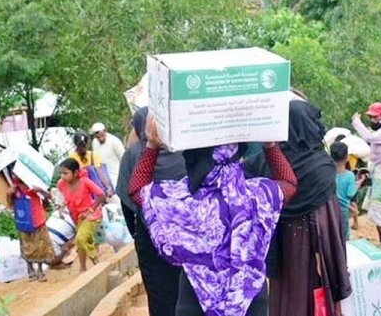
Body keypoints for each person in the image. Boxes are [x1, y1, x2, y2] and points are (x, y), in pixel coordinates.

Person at [128, 114, 298, 316]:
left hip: (195, 303)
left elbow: (137, 190)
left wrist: (152, 145)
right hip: (250, 302)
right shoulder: (258, 196)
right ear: (238, 156)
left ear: (192, 159)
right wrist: (270, 144)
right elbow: (289, 183)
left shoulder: (182, 201)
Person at [245, 100, 351, 316]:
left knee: (286, 295)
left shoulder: (269, 160)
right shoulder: (322, 167)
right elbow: (330, 220)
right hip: (315, 250)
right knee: (314, 296)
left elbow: (239, 179)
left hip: (281, 246)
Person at [117, 106, 187, 316]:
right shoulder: (187, 150)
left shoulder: (134, 155)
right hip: (188, 237)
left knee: (160, 297)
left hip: (152, 240)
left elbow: (128, 203)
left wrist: (140, 233)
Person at [352, 102, 381, 243]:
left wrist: (356, 122)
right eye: (371, 117)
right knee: (379, 209)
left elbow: (369, 138)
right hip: (379, 172)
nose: (372, 120)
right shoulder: (380, 131)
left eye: (375, 117)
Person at [57, 158, 106, 273]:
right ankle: (82, 267)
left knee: (80, 238)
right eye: (61, 173)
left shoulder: (84, 182)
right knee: (80, 242)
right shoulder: (61, 184)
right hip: (76, 217)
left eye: (65, 173)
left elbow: (101, 195)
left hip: (90, 216)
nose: (62, 176)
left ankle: (95, 260)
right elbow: (63, 198)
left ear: (75, 173)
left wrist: (90, 210)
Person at [6, 175, 55, 282]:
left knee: (41, 246)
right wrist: (9, 194)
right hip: (24, 221)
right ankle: (30, 268)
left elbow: (49, 196)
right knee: (27, 245)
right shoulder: (13, 187)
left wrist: (40, 190)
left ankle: (40, 270)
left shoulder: (33, 182)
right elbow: (10, 204)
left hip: (38, 219)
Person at [331, 142, 365, 240]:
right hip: (343, 210)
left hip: (330, 209)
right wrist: (360, 182)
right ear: (347, 158)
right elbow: (350, 194)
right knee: (344, 235)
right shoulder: (349, 176)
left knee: (332, 234)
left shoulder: (328, 173)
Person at [69, 132, 114, 197]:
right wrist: (108, 187)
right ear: (88, 143)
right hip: (96, 190)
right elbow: (100, 173)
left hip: (81, 191)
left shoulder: (71, 158)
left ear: (75, 143)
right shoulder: (94, 155)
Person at [91, 123, 126, 188]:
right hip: (102, 177)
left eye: (102, 136)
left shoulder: (114, 141)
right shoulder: (94, 142)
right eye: (98, 137)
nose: (101, 139)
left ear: (105, 131)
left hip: (116, 175)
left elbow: (124, 158)